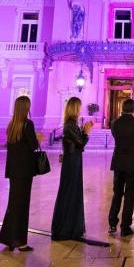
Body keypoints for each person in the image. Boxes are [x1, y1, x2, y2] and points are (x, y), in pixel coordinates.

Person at [0, 95, 39, 252]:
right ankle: (20, 241)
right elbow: (33, 145)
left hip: (13, 171)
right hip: (25, 171)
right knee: (22, 206)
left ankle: (5, 237)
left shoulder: (12, 126)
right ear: (26, 108)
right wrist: (38, 138)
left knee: (13, 204)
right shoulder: (28, 124)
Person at [52, 97, 93, 240]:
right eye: (79, 107)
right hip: (72, 161)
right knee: (70, 191)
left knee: (73, 191)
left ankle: (72, 226)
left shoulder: (72, 125)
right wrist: (86, 132)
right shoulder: (70, 125)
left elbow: (77, 141)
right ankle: (66, 228)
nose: (81, 109)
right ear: (75, 108)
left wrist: (82, 131)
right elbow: (80, 143)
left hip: (74, 160)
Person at [108, 98, 134, 237]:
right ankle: (125, 227)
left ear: (122, 108)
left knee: (117, 193)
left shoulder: (114, 123)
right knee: (130, 195)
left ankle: (112, 223)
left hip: (118, 162)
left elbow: (115, 135)